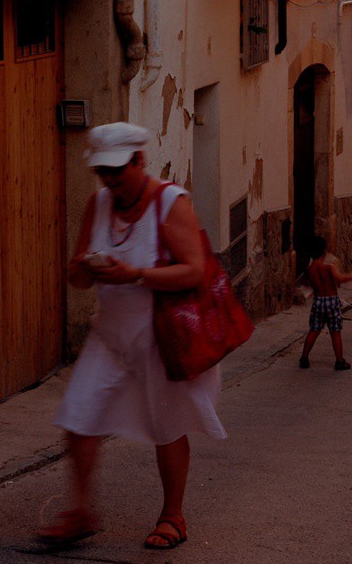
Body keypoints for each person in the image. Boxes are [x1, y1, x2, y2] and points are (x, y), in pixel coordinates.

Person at [37, 122, 226, 550]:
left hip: (160, 335)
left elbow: (195, 269)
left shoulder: (169, 203)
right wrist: (83, 269)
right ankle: (80, 512)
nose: (110, 181)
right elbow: (76, 278)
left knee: (167, 425)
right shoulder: (99, 204)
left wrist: (135, 275)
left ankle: (172, 517)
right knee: (78, 415)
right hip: (111, 335)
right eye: (103, 172)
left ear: (139, 160)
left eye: (117, 171)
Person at [298, 235, 352, 371]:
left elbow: (306, 283)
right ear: (324, 251)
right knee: (335, 331)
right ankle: (339, 361)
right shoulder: (328, 267)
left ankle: (304, 357)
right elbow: (340, 278)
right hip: (332, 301)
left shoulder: (310, 269)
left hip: (318, 301)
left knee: (314, 330)